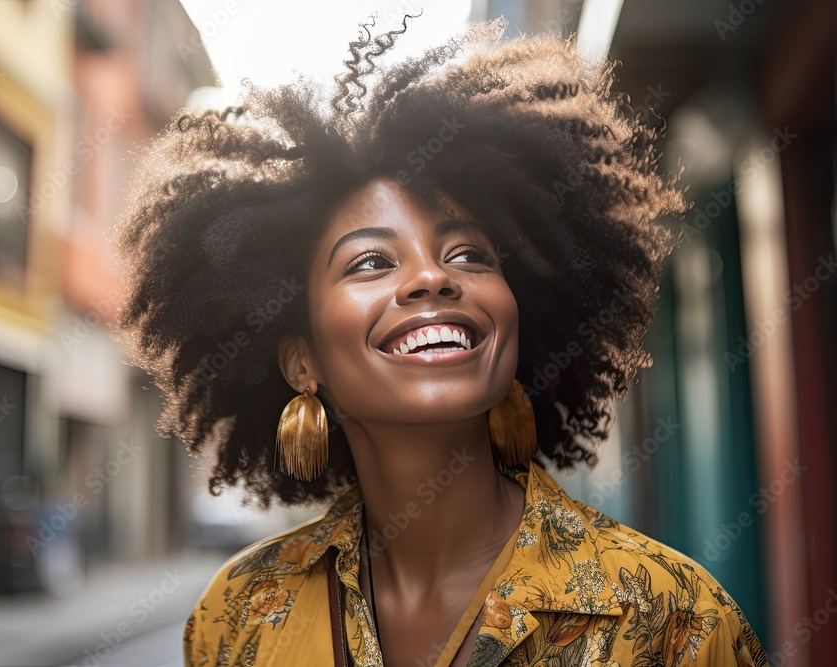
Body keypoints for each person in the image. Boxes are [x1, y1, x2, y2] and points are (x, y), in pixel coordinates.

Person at [112, 16, 768, 667]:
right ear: (301, 360)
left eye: (469, 254)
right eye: (370, 262)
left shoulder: (674, 624)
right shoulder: (235, 617)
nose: (432, 276)